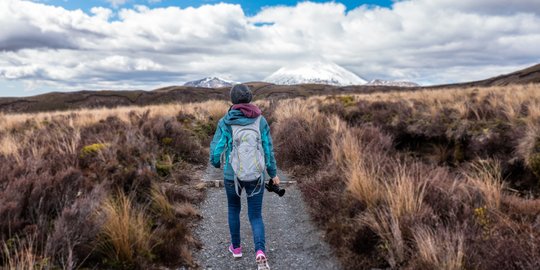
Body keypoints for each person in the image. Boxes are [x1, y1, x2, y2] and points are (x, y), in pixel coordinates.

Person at [209, 84, 280, 270]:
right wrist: (273, 174)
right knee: (255, 215)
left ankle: (237, 248)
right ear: (249, 98)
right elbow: (267, 150)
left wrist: (217, 164)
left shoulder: (225, 121)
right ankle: (260, 252)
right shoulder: (261, 120)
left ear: (233, 100)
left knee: (234, 209)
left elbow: (216, 150)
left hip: (232, 175)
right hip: (256, 175)